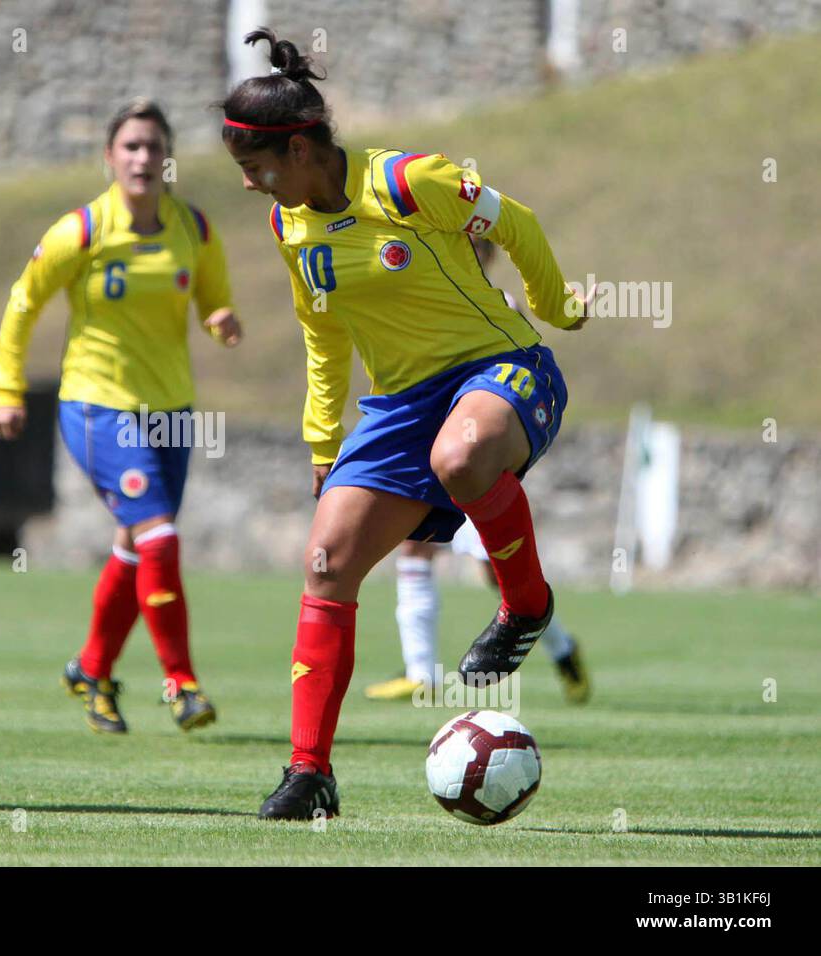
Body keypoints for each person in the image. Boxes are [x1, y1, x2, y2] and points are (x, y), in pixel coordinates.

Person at [219, 29, 592, 820]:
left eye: (255, 168)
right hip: (398, 406)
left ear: (299, 150)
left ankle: (525, 605)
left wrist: (557, 307)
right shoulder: (290, 227)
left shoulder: (408, 180)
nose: (250, 185)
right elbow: (323, 336)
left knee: (461, 456)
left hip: (503, 369)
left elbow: (514, 220)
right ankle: (309, 774)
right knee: (325, 563)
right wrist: (323, 441)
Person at [0, 98, 242, 734]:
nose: (143, 158)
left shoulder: (196, 230)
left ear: (169, 159)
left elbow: (213, 296)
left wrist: (221, 320)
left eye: (154, 147)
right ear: (109, 157)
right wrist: (7, 388)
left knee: (137, 546)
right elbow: (24, 302)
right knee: (158, 534)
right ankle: (181, 683)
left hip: (172, 413)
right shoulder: (80, 230)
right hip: (98, 407)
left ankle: (93, 668)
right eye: (131, 146)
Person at [365, 240, 590, 705]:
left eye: (474, 247)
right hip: (437, 453)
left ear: (486, 257)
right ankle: (420, 671)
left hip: (474, 459)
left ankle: (563, 649)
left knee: (494, 571)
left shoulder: (497, 307)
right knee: (414, 546)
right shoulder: (425, 304)